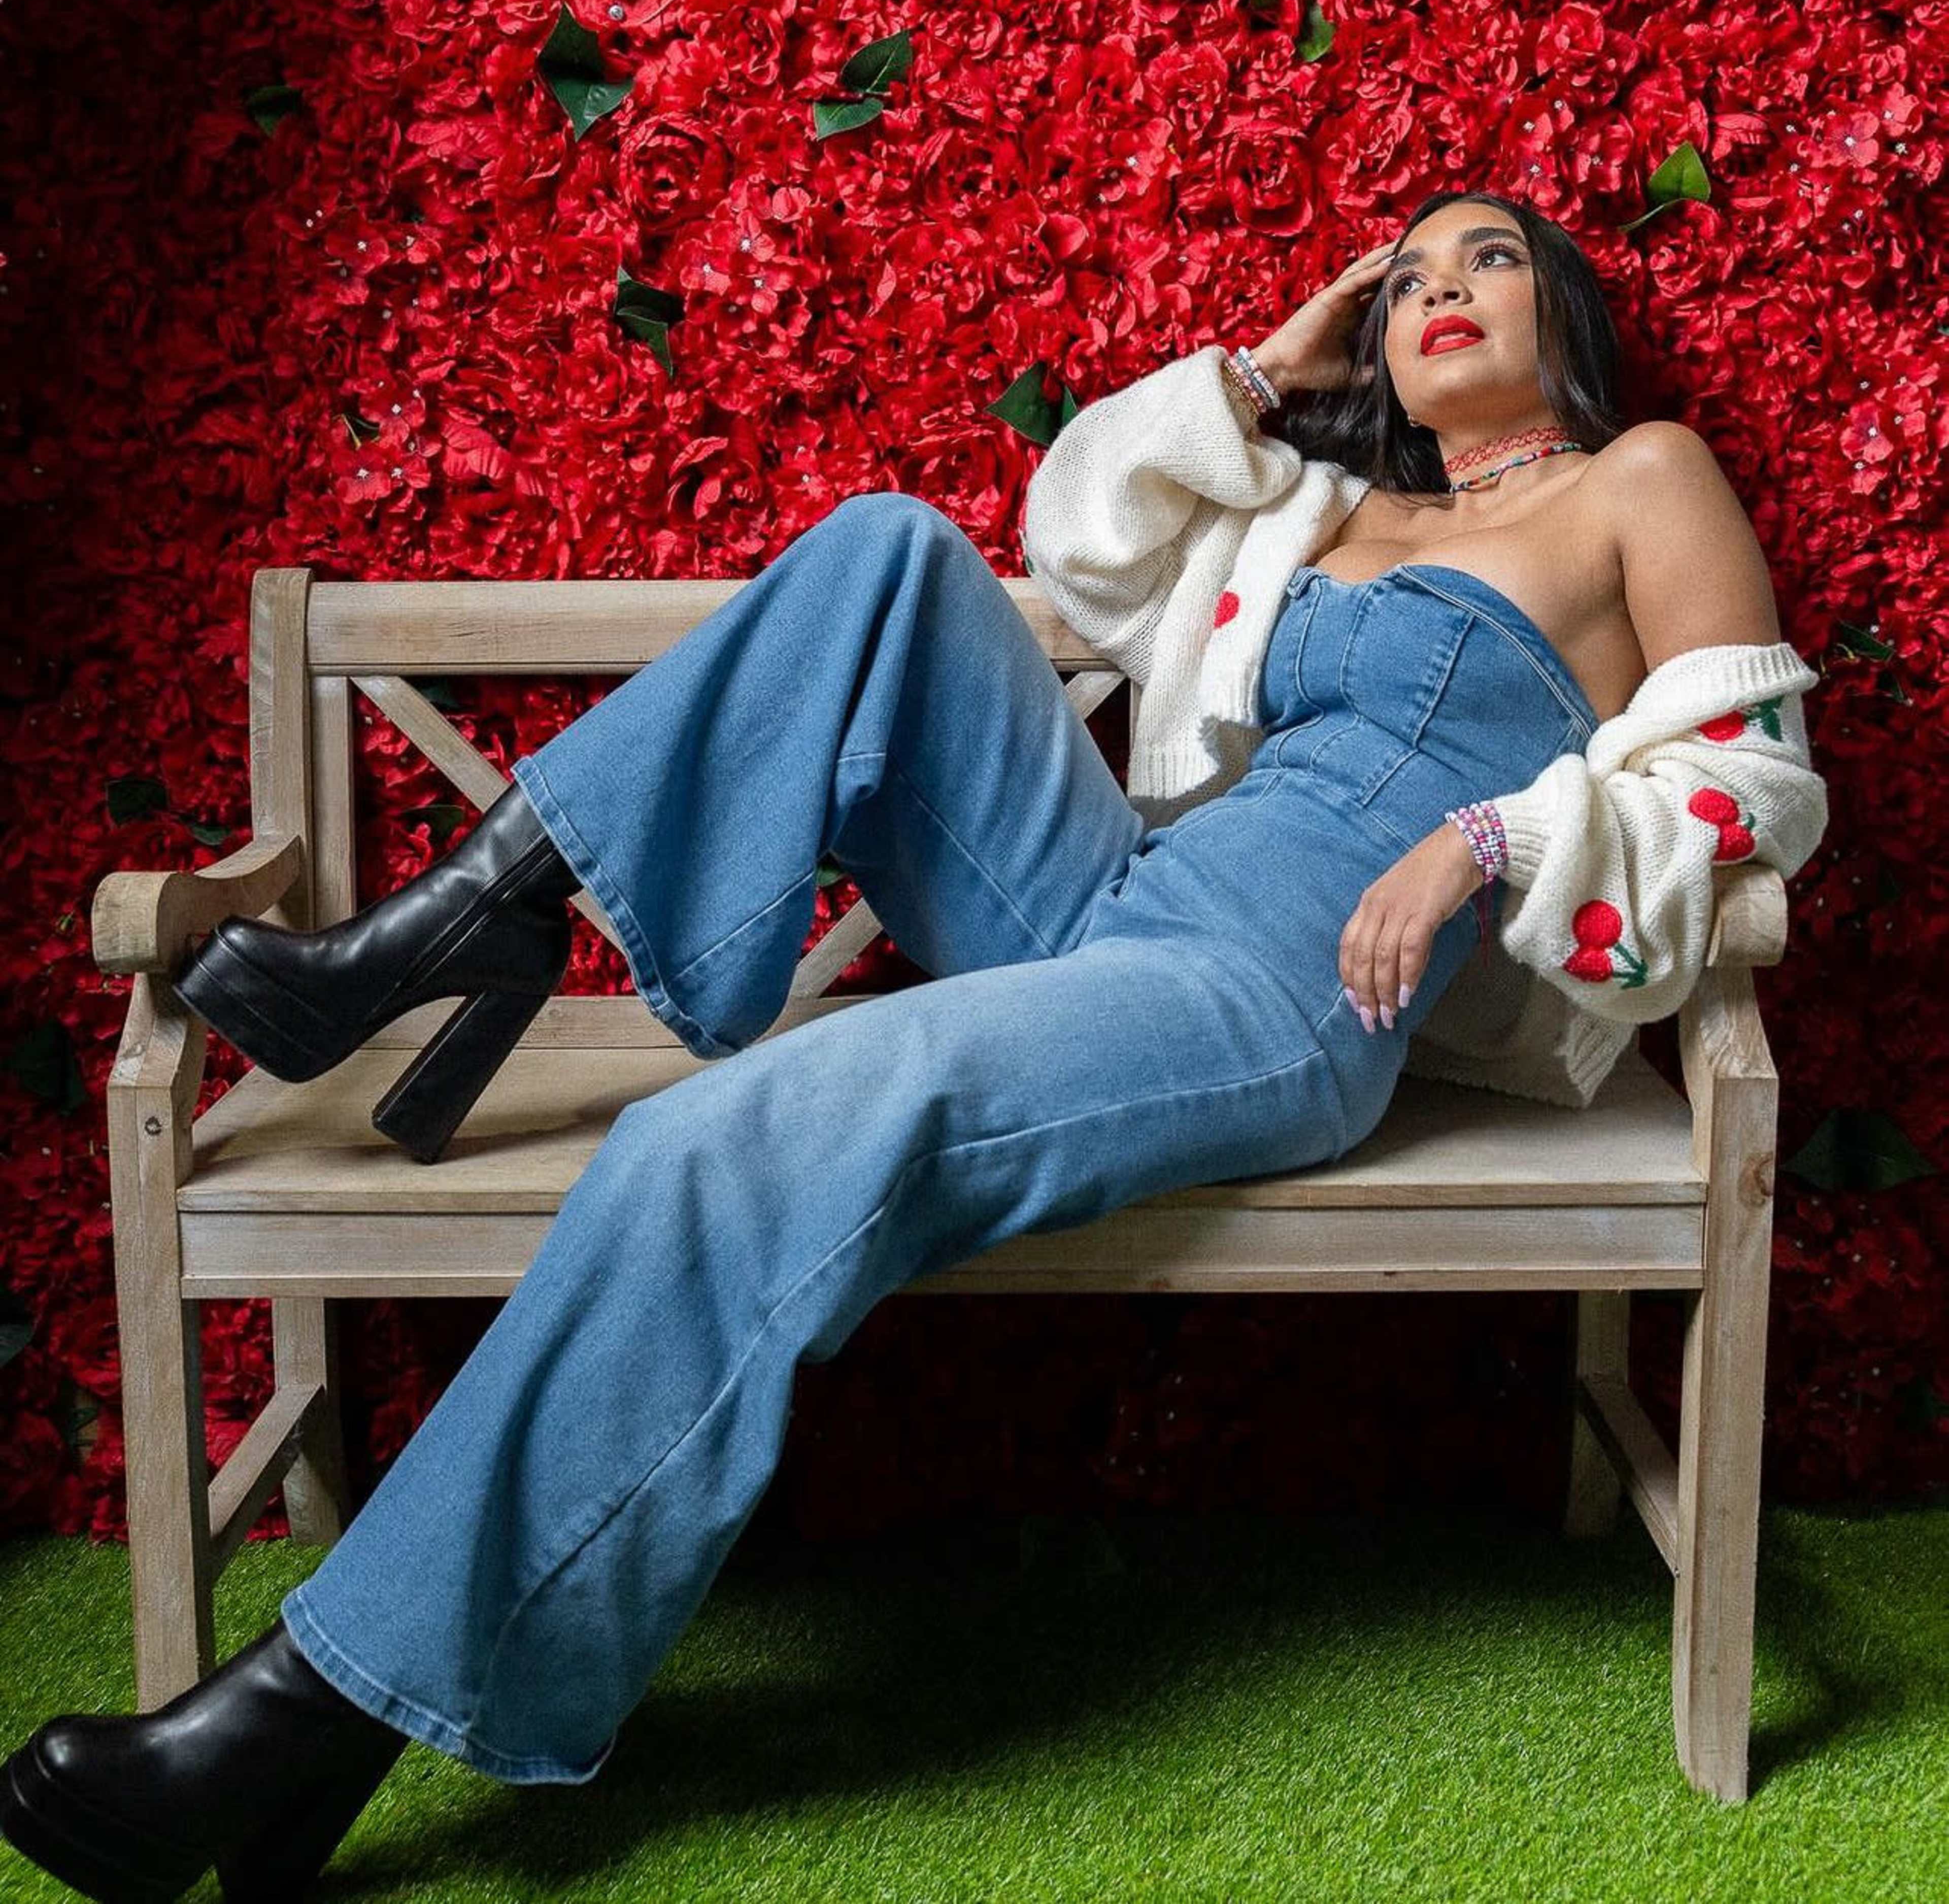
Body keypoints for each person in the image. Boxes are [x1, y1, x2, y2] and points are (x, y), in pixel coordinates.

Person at [1, 188, 1829, 1901]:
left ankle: (325, 1709)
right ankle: (467, 911)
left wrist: (1491, 837)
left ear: (1564, 319)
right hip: (1129, 896)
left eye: (1488, 258)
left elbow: (1752, 788)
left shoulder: (1637, 485)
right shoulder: (1318, 510)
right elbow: (1077, 534)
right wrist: (1274, 373)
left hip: (1273, 992)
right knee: (890, 556)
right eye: (1409, 262)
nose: (1438, 284)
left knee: (716, 1143)